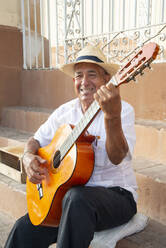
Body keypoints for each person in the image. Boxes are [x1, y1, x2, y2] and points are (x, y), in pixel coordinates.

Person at [5, 45, 137, 248]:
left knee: (77, 200)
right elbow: (36, 140)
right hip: (68, 199)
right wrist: (28, 156)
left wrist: (111, 116)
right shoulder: (64, 112)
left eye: (92, 74)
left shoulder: (123, 110)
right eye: (78, 76)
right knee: (23, 229)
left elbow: (117, 157)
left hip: (116, 196)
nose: (84, 82)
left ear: (106, 79)